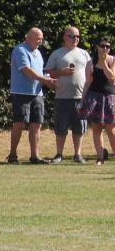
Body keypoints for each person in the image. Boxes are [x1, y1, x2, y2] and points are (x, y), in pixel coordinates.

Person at [7, 27, 55, 164]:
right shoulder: (20, 50)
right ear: (28, 37)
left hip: (37, 93)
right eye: (37, 38)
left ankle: (35, 156)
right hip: (21, 93)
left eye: (41, 39)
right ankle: (12, 155)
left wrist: (48, 79)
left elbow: (40, 72)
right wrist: (45, 80)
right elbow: (27, 70)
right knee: (19, 123)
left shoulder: (38, 53)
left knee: (36, 124)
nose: (40, 41)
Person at [45, 25, 91, 163]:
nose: (76, 38)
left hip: (80, 97)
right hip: (62, 97)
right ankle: (59, 154)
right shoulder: (57, 53)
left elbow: (90, 73)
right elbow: (47, 72)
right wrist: (62, 72)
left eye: (77, 36)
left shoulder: (84, 54)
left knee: (79, 127)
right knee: (61, 127)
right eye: (72, 36)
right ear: (65, 37)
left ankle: (77, 155)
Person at [79, 35, 115, 164]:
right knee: (96, 129)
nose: (105, 48)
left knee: (111, 129)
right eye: (102, 46)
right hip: (94, 96)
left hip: (109, 97)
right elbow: (87, 83)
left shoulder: (113, 60)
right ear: (97, 47)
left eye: (107, 46)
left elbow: (111, 77)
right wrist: (82, 101)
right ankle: (100, 157)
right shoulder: (91, 63)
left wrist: (104, 62)